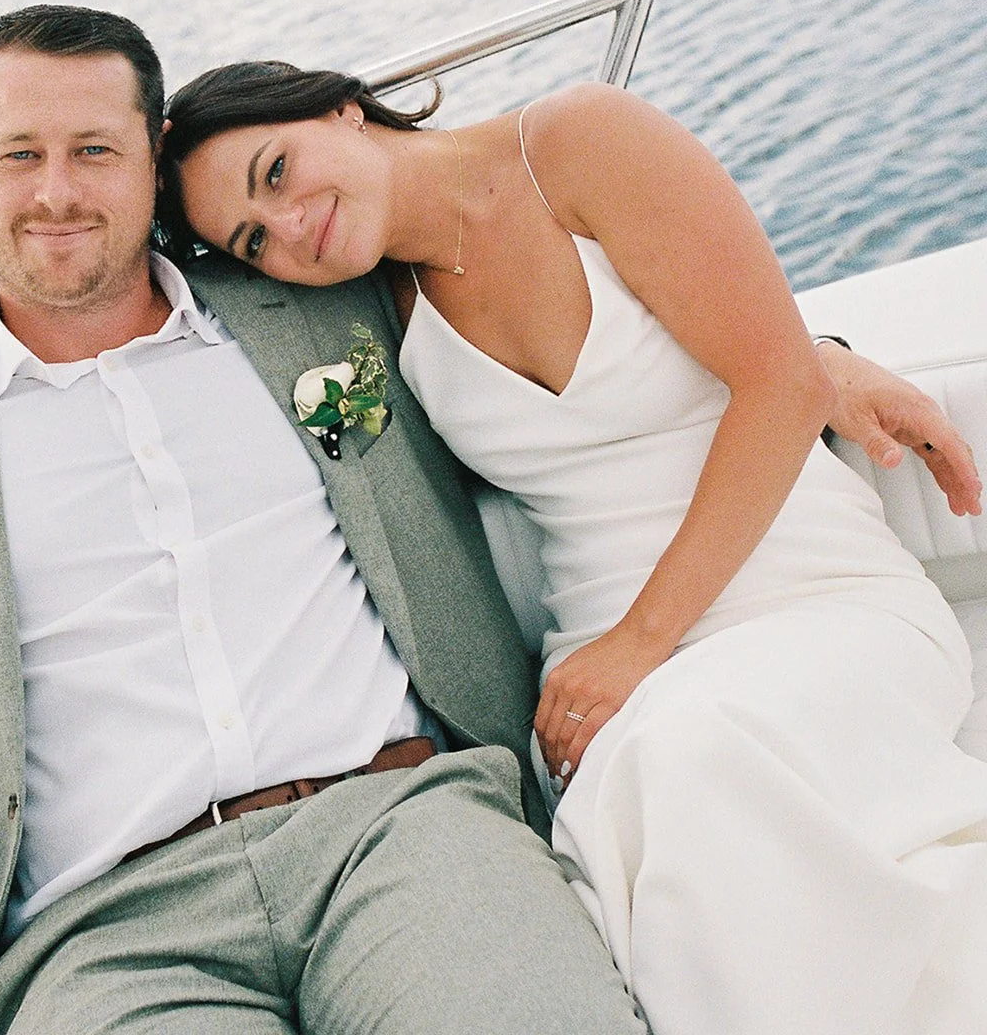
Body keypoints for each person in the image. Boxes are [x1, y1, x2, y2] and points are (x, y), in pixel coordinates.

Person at [0, 9, 967, 1035]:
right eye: (17, 155)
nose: (57, 192)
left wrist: (813, 359)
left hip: (404, 833)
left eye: (94, 150)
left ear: (150, 157)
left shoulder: (310, 299)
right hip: (102, 932)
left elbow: (565, 295)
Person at [159, 58, 987, 1035]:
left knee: (689, 760)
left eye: (276, 172)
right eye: (254, 239)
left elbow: (779, 383)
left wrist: (824, 361)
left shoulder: (576, 141)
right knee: (660, 793)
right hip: (600, 672)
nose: (291, 225)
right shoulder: (368, 316)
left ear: (338, 109)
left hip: (803, 587)